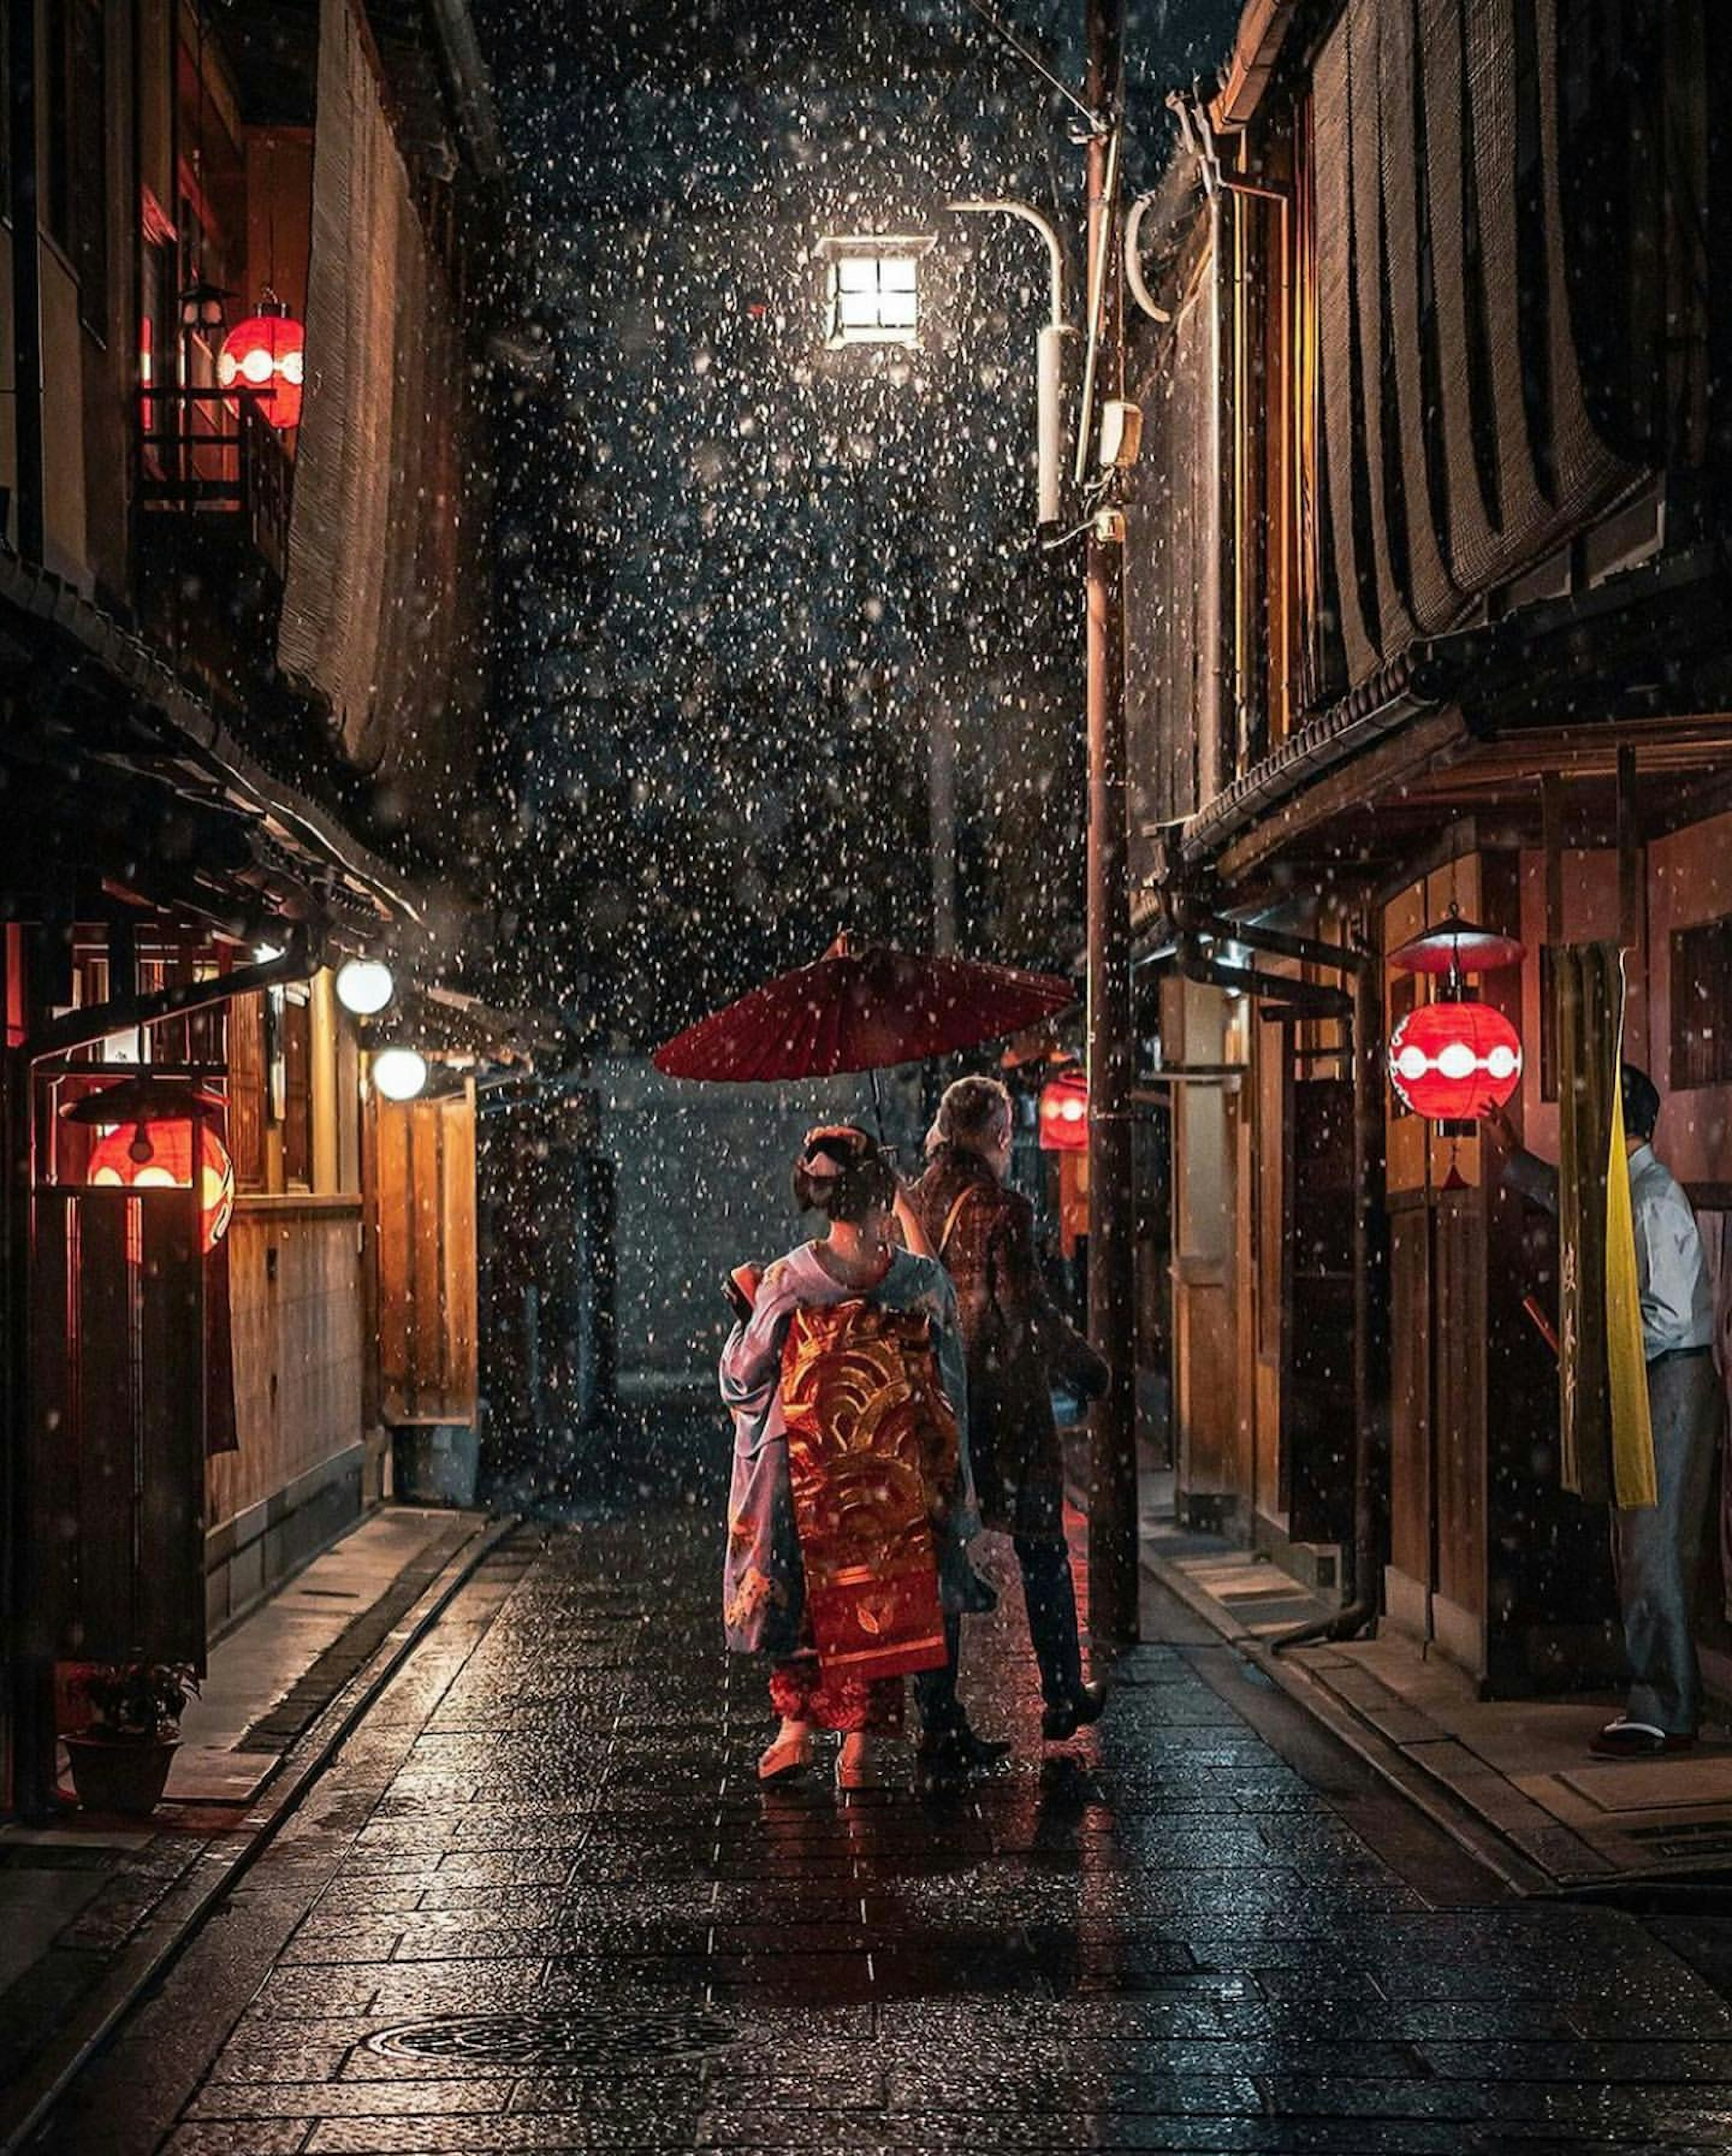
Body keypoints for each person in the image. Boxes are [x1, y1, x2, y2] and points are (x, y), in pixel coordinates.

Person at [719, 1123, 1002, 1791]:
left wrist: (745, 1312)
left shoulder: (791, 1278)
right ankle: (857, 1747)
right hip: (888, 1470)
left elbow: (746, 1376)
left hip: (807, 1465)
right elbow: (948, 1376)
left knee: (804, 1601)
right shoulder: (918, 1282)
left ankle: (794, 1732)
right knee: (871, 1595)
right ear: (883, 1194)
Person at [1488, 1063, 1720, 1756]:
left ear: (1619, 1127)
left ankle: (1666, 1708)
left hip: (1670, 1377)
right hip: (1657, 1376)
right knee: (1643, 1542)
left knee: (1652, 1544)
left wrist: (1597, 1355)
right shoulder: (1630, 1190)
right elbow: (1578, 1206)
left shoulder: (1653, 1200)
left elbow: (1671, 1317)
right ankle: (1663, 1701)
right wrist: (1516, 1162)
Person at [912, 1075, 1111, 1742]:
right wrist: (1084, 1367)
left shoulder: (910, 1203)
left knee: (944, 1555)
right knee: (1042, 1545)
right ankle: (1060, 1691)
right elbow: (1023, 1311)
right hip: (1006, 1408)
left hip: (937, 1403)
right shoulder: (1002, 1211)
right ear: (999, 1135)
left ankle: (939, 1716)